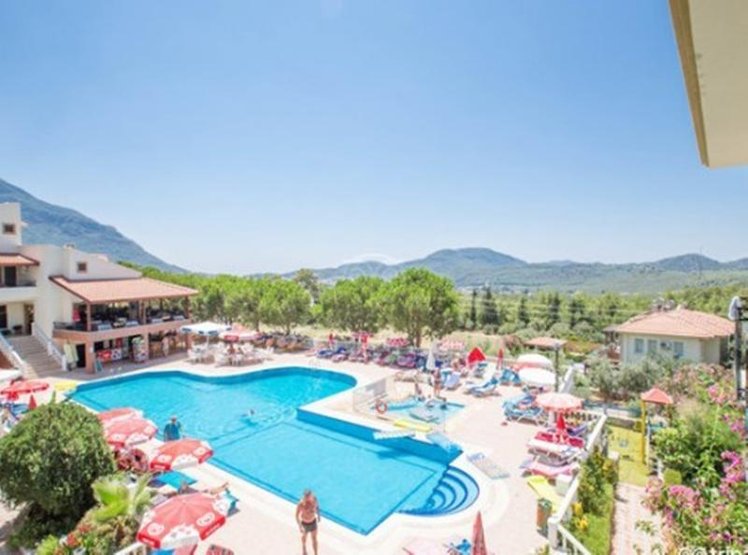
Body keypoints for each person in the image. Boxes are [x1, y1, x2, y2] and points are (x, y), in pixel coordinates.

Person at [296, 489, 320, 555]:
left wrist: (319, 515)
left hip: (313, 522)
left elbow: (317, 507)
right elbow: (296, 515)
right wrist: (300, 526)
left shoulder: (314, 500)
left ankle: (316, 553)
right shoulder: (301, 504)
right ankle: (304, 547)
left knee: (314, 538)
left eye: (308, 496)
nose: (307, 498)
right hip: (304, 524)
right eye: (306, 497)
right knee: (304, 537)